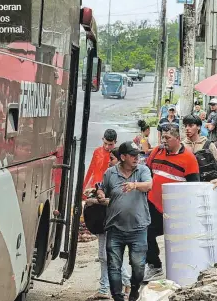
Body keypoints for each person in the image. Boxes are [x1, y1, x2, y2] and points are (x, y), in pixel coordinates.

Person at [144, 123, 200, 281]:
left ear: (178, 138)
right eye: (162, 137)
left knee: (177, 242)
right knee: (145, 232)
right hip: (152, 204)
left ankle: (183, 273)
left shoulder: (189, 158)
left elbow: (194, 187)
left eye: (167, 138)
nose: (163, 141)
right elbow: (146, 173)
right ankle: (154, 266)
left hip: (176, 210)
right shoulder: (156, 151)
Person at [99, 141, 153, 301]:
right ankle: (118, 298)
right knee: (114, 266)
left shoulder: (142, 170)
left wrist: (134, 185)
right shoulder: (110, 173)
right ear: (122, 157)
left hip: (139, 227)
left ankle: (134, 291)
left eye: (138, 155)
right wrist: (101, 193)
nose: (136, 158)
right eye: (132, 155)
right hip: (115, 228)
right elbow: (103, 188)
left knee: (138, 268)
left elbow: (149, 186)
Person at [84, 147, 132, 300]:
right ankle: (105, 288)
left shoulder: (124, 178)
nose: (109, 161)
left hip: (114, 221)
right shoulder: (111, 174)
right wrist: (94, 190)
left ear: (121, 159)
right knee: (105, 256)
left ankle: (126, 281)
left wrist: (93, 201)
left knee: (108, 255)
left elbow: (119, 200)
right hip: (106, 220)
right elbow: (103, 189)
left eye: (111, 159)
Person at [82, 129, 117, 200]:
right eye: (105, 143)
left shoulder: (118, 154)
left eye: (110, 144)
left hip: (110, 187)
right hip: (95, 186)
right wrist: (84, 187)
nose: (107, 146)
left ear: (115, 142)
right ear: (102, 139)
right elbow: (91, 170)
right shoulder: (97, 152)